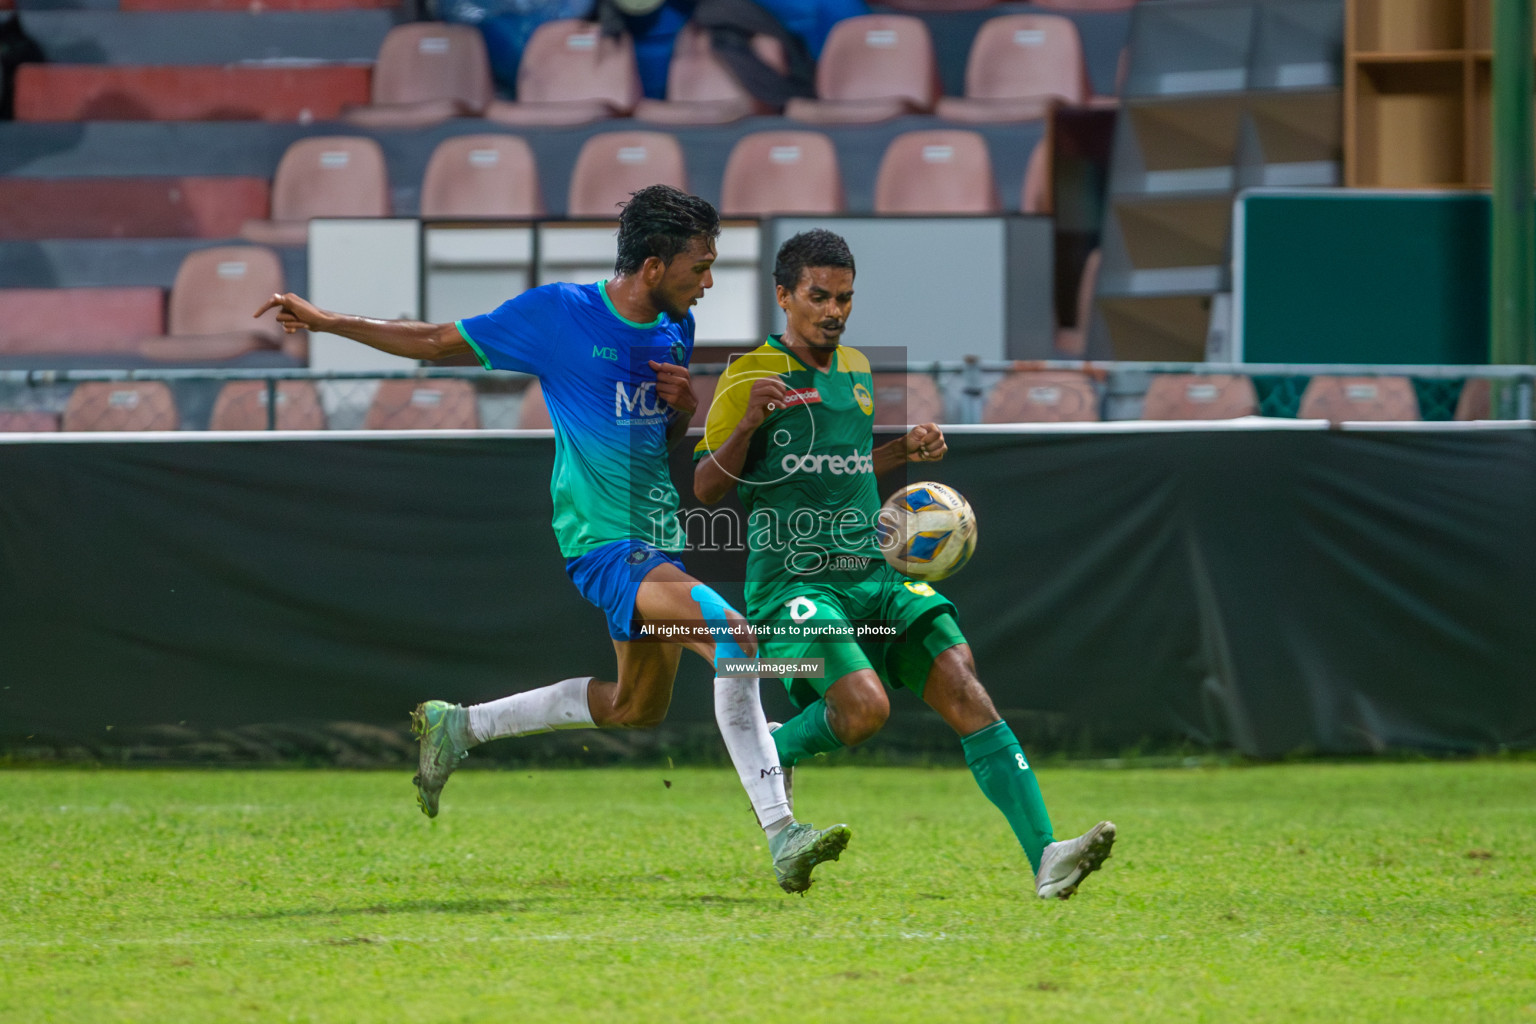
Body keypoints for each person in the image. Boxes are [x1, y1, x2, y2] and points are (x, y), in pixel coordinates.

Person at [254, 186, 849, 895]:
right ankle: (784, 835)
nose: (709, 281)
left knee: (637, 708)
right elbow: (438, 341)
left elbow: (659, 441)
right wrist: (326, 322)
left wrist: (681, 408)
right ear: (654, 265)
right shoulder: (558, 316)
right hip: (604, 543)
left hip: (657, 538)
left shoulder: (673, 329)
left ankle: (460, 728)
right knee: (737, 640)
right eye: (701, 266)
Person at [692, 229, 1116, 900]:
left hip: (873, 570)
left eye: (845, 298)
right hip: (794, 581)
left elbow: (845, 464)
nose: (834, 311)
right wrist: (746, 427)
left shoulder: (857, 370)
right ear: (784, 296)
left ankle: (1046, 856)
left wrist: (904, 449)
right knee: (864, 711)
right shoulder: (749, 374)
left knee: (962, 681)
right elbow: (706, 489)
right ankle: (776, 749)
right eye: (819, 297)